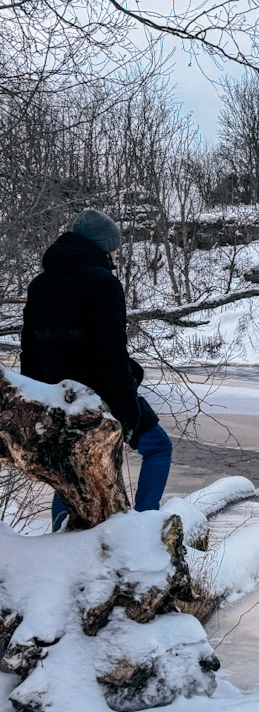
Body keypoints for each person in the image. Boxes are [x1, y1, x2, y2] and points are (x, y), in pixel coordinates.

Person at [19, 208, 171, 530]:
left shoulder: (39, 286)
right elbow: (109, 353)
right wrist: (128, 414)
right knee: (158, 447)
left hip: (56, 397)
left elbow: (32, 353)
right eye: (114, 246)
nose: (117, 252)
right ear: (102, 245)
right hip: (99, 395)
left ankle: (63, 535)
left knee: (71, 469)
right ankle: (145, 527)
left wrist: (37, 404)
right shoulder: (103, 283)